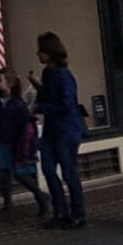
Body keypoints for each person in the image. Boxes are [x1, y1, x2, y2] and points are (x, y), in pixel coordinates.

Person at [31, 31, 87, 230]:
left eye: (41, 50)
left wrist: (39, 108)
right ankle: (60, 212)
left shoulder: (64, 75)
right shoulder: (48, 73)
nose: (38, 54)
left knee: (69, 172)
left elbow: (66, 105)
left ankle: (77, 214)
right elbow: (48, 96)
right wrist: (38, 89)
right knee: (48, 168)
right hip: (52, 129)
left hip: (66, 129)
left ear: (49, 52)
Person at [0, 74, 47, 217]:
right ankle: (8, 204)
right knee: (4, 173)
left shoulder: (17, 104)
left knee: (20, 174)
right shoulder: (0, 102)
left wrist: (22, 146)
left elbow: (23, 127)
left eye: (0, 80)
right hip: (3, 141)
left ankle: (41, 196)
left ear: (10, 84)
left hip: (14, 143)